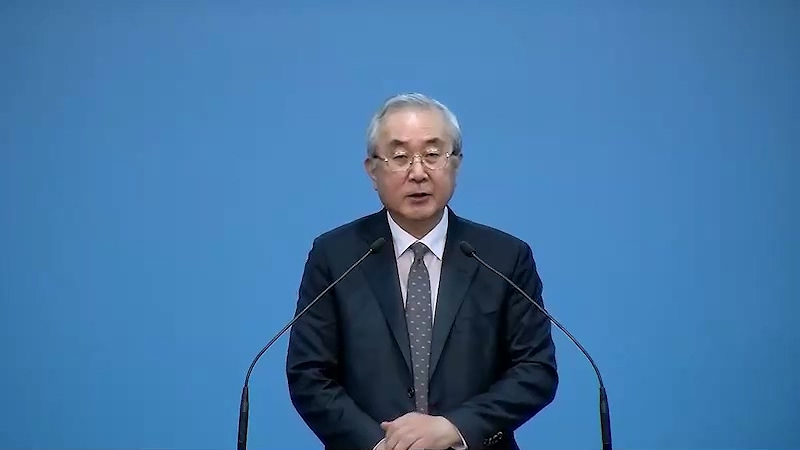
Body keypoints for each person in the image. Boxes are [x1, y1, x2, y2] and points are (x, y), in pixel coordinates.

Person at [285, 93, 558, 450]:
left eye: (432, 155)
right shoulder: (335, 256)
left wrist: (456, 427)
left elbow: (535, 370)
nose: (417, 173)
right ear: (372, 170)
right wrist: (379, 445)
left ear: (455, 164)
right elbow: (309, 374)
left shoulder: (504, 257)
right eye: (400, 157)